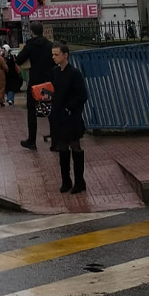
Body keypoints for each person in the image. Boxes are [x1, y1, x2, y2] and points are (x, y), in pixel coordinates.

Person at [49, 43, 88, 194]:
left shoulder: (75, 73)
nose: (54, 57)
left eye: (56, 54)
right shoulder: (55, 72)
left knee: (75, 146)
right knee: (62, 147)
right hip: (58, 115)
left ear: (65, 55)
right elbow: (54, 91)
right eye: (52, 55)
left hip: (71, 116)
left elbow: (83, 95)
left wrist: (70, 107)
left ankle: (80, 181)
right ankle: (66, 181)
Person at [15, 21, 55, 150]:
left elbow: (19, 60)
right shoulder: (50, 45)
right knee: (51, 110)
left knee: (31, 111)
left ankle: (32, 141)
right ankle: (56, 142)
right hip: (48, 82)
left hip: (34, 83)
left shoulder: (30, 45)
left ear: (31, 32)